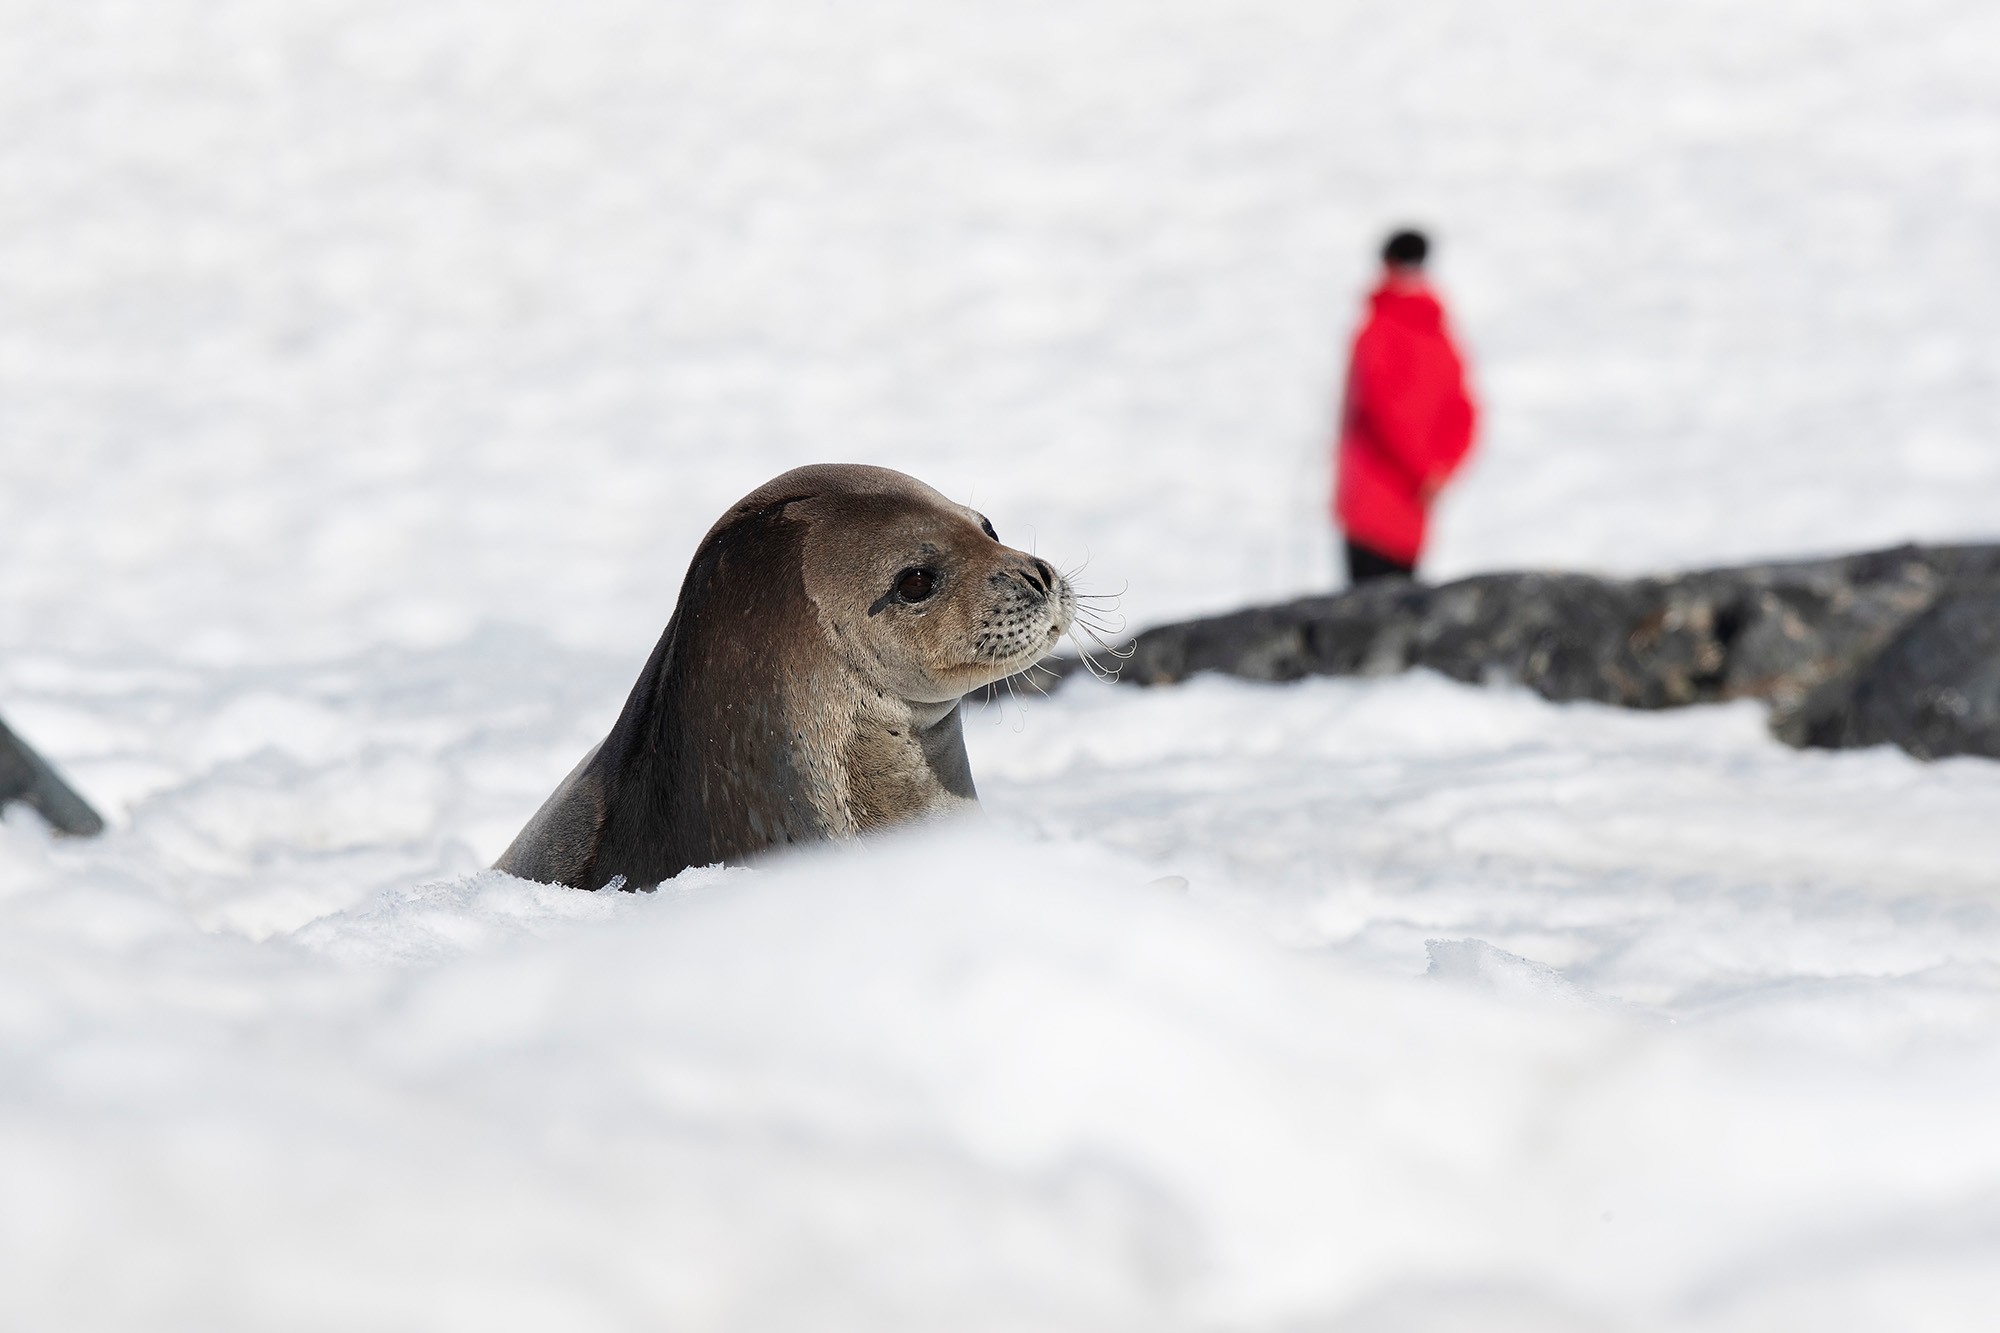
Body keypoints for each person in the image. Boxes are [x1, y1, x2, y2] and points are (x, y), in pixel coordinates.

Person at [1332, 228, 1477, 584]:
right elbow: (1464, 412)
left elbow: (1384, 414)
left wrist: (1423, 470)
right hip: (1415, 504)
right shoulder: (1439, 334)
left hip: (1372, 501)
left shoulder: (1377, 330)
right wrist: (1438, 471)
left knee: (1366, 615)